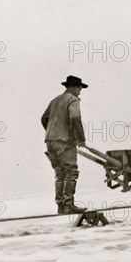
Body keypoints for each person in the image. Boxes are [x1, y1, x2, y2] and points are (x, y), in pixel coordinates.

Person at [41, 75, 88, 214]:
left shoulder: (55, 100)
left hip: (50, 141)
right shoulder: (72, 99)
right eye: (79, 88)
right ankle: (68, 205)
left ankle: (61, 206)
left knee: (60, 173)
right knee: (71, 171)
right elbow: (75, 117)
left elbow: (44, 119)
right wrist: (80, 139)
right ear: (73, 87)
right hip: (65, 141)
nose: (80, 92)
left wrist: (54, 132)